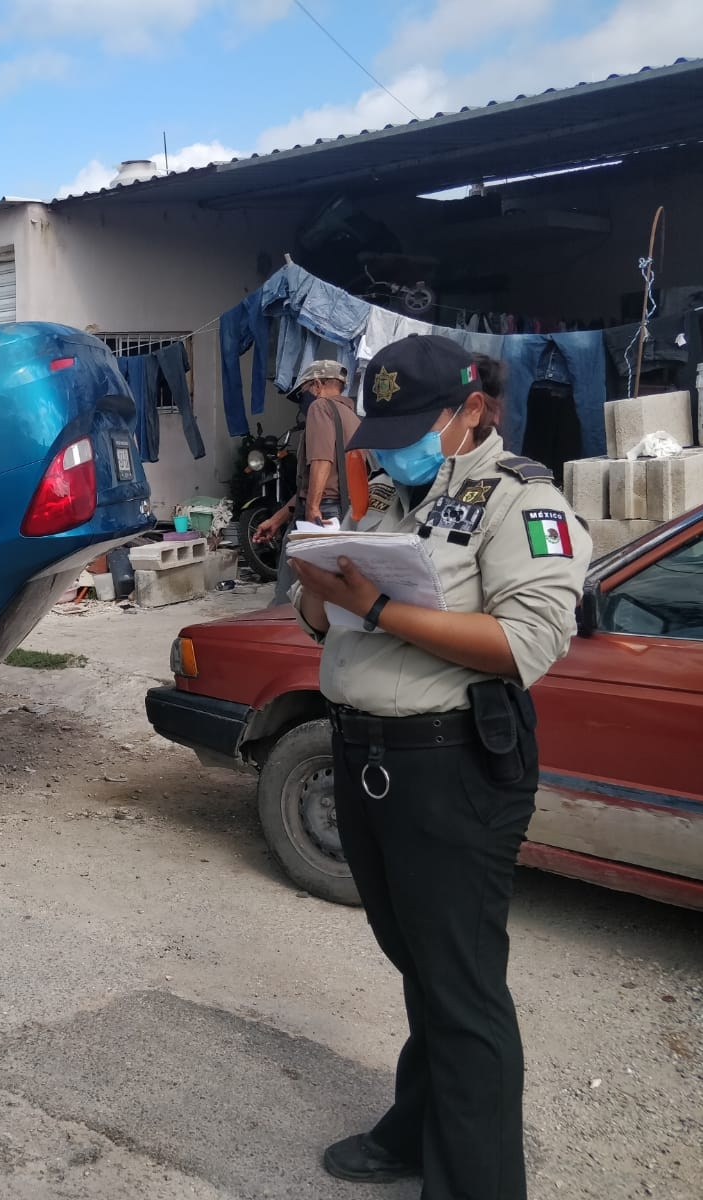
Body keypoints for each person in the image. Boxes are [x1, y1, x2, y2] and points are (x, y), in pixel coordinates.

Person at [287, 334, 589, 1200]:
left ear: (470, 412)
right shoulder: (388, 496)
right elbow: (324, 627)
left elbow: (525, 643)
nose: (388, 447)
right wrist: (319, 586)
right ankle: (418, 1127)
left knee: (460, 984)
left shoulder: (520, 499)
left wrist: (375, 606)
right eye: (379, 430)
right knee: (419, 960)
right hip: (367, 756)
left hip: (452, 762)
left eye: (414, 425)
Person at [254, 358, 359, 540]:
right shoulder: (352, 417)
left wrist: (312, 508)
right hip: (345, 511)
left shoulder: (320, 407)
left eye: (303, 392)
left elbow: (322, 461)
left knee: (296, 566)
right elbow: (313, 484)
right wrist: (278, 519)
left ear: (317, 385)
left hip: (322, 512)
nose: (303, 400)